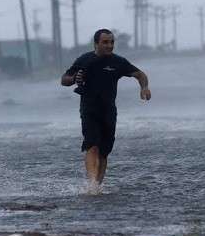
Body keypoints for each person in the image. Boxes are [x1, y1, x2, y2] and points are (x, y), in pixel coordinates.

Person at [61, 29, 151, 194]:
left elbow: (140, 74)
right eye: (105, 42)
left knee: (104, 151)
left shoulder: (118, 62)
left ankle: (97, 187)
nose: (109, 46)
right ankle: (92, 184)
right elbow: (64, 80)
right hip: (89, 109)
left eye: (111, 42)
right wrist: (74, 79)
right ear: (96, 43)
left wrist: (144, 87)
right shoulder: (84, 60)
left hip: (109, 110)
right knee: (92, 145)